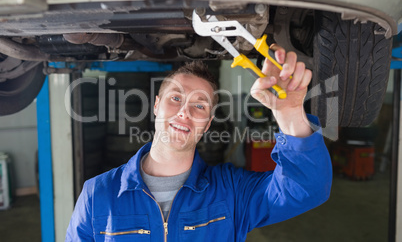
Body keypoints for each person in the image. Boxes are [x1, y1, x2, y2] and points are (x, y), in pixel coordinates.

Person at [66, 45, 332, 241]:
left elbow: (309, 189)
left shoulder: (231, 193)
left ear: (207, 123)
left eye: (199, 105)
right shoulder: (97, 194)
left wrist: (290, 114)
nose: (185, 111)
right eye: (175, 98)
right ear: (156, 105)